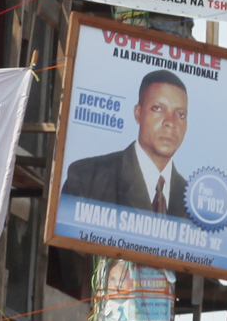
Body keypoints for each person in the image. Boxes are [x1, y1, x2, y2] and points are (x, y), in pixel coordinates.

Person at [60, 70, 193, 219]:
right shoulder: (87, 178)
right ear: (138, 114)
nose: (170, 122)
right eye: (158, 108)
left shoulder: (193, 203)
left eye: (181, 114)